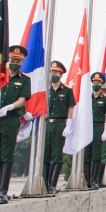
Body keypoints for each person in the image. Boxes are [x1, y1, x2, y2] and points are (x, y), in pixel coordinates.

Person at [0, 46, 30, 202]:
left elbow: (22, 99)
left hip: (11, 119)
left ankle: (2, 190)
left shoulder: (24, 80)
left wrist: (10, 107)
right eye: (12, 60)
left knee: (7, 155)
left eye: (18, 61)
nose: (14, 63)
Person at [43, 60, 75, 193]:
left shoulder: (67, 90)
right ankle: (44, 183)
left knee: (56, 155)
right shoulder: (45, 88)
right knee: (45, 154)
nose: (53, 74)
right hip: (46, 123)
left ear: (61, 74)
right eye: (51, 72)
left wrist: (68, 124)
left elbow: (70, 108)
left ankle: (52, 184)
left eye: (55, 72)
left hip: (59, 124)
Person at [86, 72, 106, 189]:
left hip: (98, 127)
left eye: (98, 83)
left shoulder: (105, 100)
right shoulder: (87, 97)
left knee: (96, 156)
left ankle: (95, 180)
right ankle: (87, 179)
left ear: (101, 84)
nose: (95, 84)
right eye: (94, 82)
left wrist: (105, 131)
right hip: (87, 127)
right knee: (86, 155)